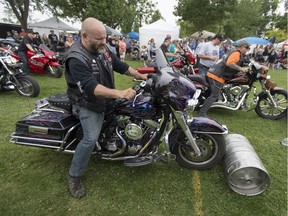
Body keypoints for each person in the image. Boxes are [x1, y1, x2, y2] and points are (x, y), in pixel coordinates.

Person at [64, 17, 147, 199]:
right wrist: (120, 93)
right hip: (88, 103)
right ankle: (74, 176)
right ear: (84, 36)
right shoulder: (76, 58)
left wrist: (141, 75)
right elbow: (91, 88)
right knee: (90, 138)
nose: (104, 42)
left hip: (106, 101)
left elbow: (121, 65)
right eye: (99, 39)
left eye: (105, 37)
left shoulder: (104, 48)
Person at [198, 40, 250, 116]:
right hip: (217, 75)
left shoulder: (232, 51)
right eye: (247, 47)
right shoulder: (236, 53)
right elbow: (229, 63)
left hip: (214, 72)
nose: (248, 49)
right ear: (242, 47)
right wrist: (241, 69)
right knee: (214, 95)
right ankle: (202, 113)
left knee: (215, 93)